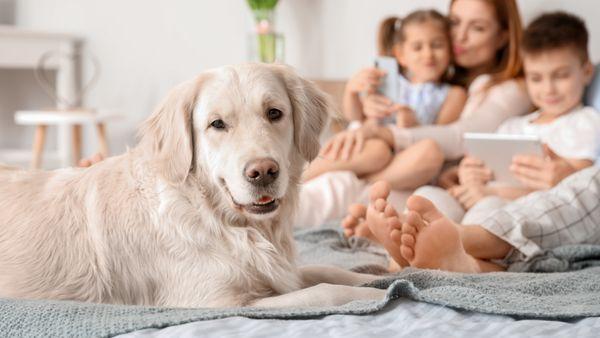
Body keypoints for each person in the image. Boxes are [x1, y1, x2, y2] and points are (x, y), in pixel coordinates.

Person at [353, 11, 600, 272]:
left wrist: (490, 192)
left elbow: (574, 193)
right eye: (536, 78)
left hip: (509, 206)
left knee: (490, 209)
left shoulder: (586, 122)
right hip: (478, 198)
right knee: (430, 197)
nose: (548, 89)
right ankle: (407, 253)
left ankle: (446, 252)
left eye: (560, 76)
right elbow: (479, 165)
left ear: (586, 72)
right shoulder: (513, 125)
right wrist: (465, 174)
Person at [295, 0, 532, 229]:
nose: (460, 36)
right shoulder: (431, 78)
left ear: (503, 36)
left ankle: (346, 182)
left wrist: (384, 132)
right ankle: (301, 176)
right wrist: (357, 99)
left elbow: (458, 136)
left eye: (477, 28)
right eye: (455, 22)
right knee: (345, 174)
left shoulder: (509, 90)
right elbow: (365, 115)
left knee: (386, 166)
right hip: (384, 166)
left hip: (413, 175)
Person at [302, 10, 467, 182]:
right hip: (370, 146)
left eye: (437, 45)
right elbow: (356, 117)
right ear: (401, 55)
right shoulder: (388, 81)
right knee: (377, 151)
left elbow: (443, 138)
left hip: (405, 158)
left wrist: (413, 125)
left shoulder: (454, 94)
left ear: (451, 50)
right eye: (418, 47)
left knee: (427, 151)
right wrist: (352, 91)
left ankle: (366, 182)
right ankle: (302, 176)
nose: (428, 54)